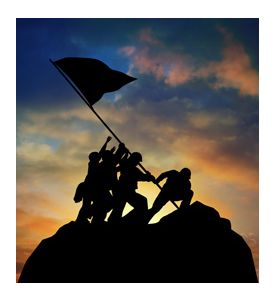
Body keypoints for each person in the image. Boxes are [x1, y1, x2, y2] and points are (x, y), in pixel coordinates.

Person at [108, 152, 155, 224]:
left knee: (119, 207)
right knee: (142, 203)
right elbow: (141, 177)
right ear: (134, 159)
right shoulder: (130, 168)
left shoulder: (125, 165)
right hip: (126, 191)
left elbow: (142, 176)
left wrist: (148, 177)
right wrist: (149, 177)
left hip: (123, 190)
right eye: (137, 161)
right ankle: (119, 221)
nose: (137, 163)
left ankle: (114, 221)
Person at [74, 136, 112, 223]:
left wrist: (107, 145)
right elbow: (101, 153)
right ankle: (81, 219)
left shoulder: (97, 164)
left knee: (91, 204)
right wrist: (106, 143)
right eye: (97, 157)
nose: (99, 157)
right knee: (86, 205)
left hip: (94, 188)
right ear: (93, 158)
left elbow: (102, 156)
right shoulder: (92, 164)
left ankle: (87, 216)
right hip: (89, 187)